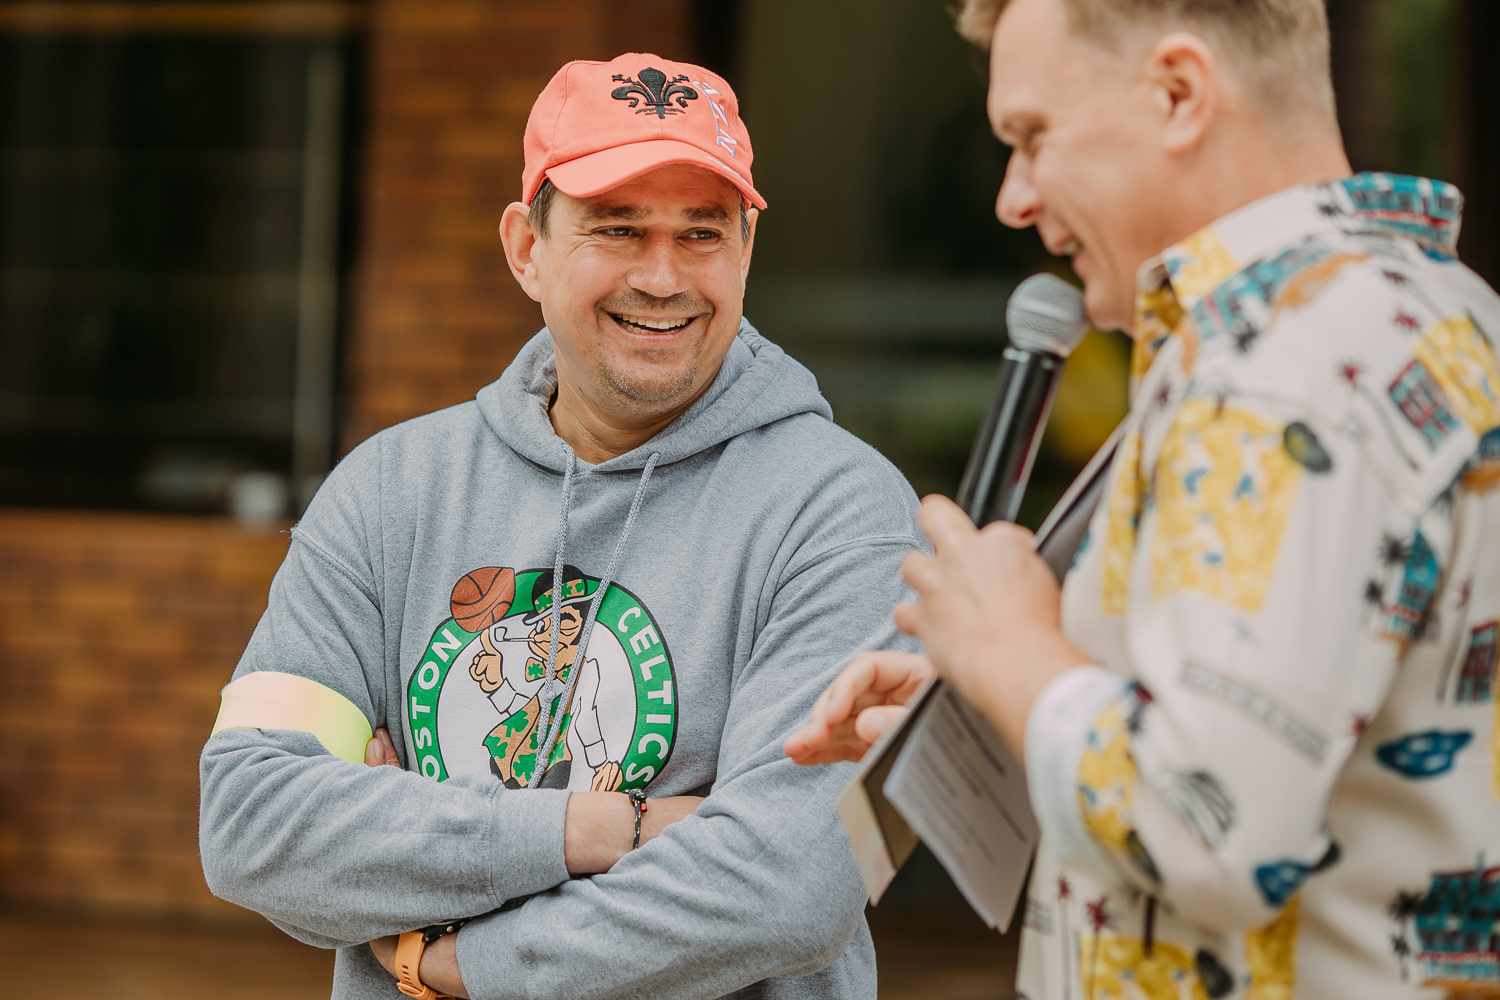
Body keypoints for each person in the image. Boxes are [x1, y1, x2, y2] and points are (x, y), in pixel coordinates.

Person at [787, 1, 1500, 997]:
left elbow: (1209, 831)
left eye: (1033, 137)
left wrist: (1018, 656)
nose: (1013, 198)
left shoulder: (1279, 373)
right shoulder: (1434, 309)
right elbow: (1311, 743)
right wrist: (1004, 697)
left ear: (1178, 94)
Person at [200, 52, 922, 1000]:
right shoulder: (387, 492)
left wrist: (462, 958)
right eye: (617, 228)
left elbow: (791, 884)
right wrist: (602, 828)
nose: (662, 277)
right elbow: (250, 820)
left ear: (747, 251)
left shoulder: (844, 514)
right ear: (525, 248)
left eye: (702, 233)